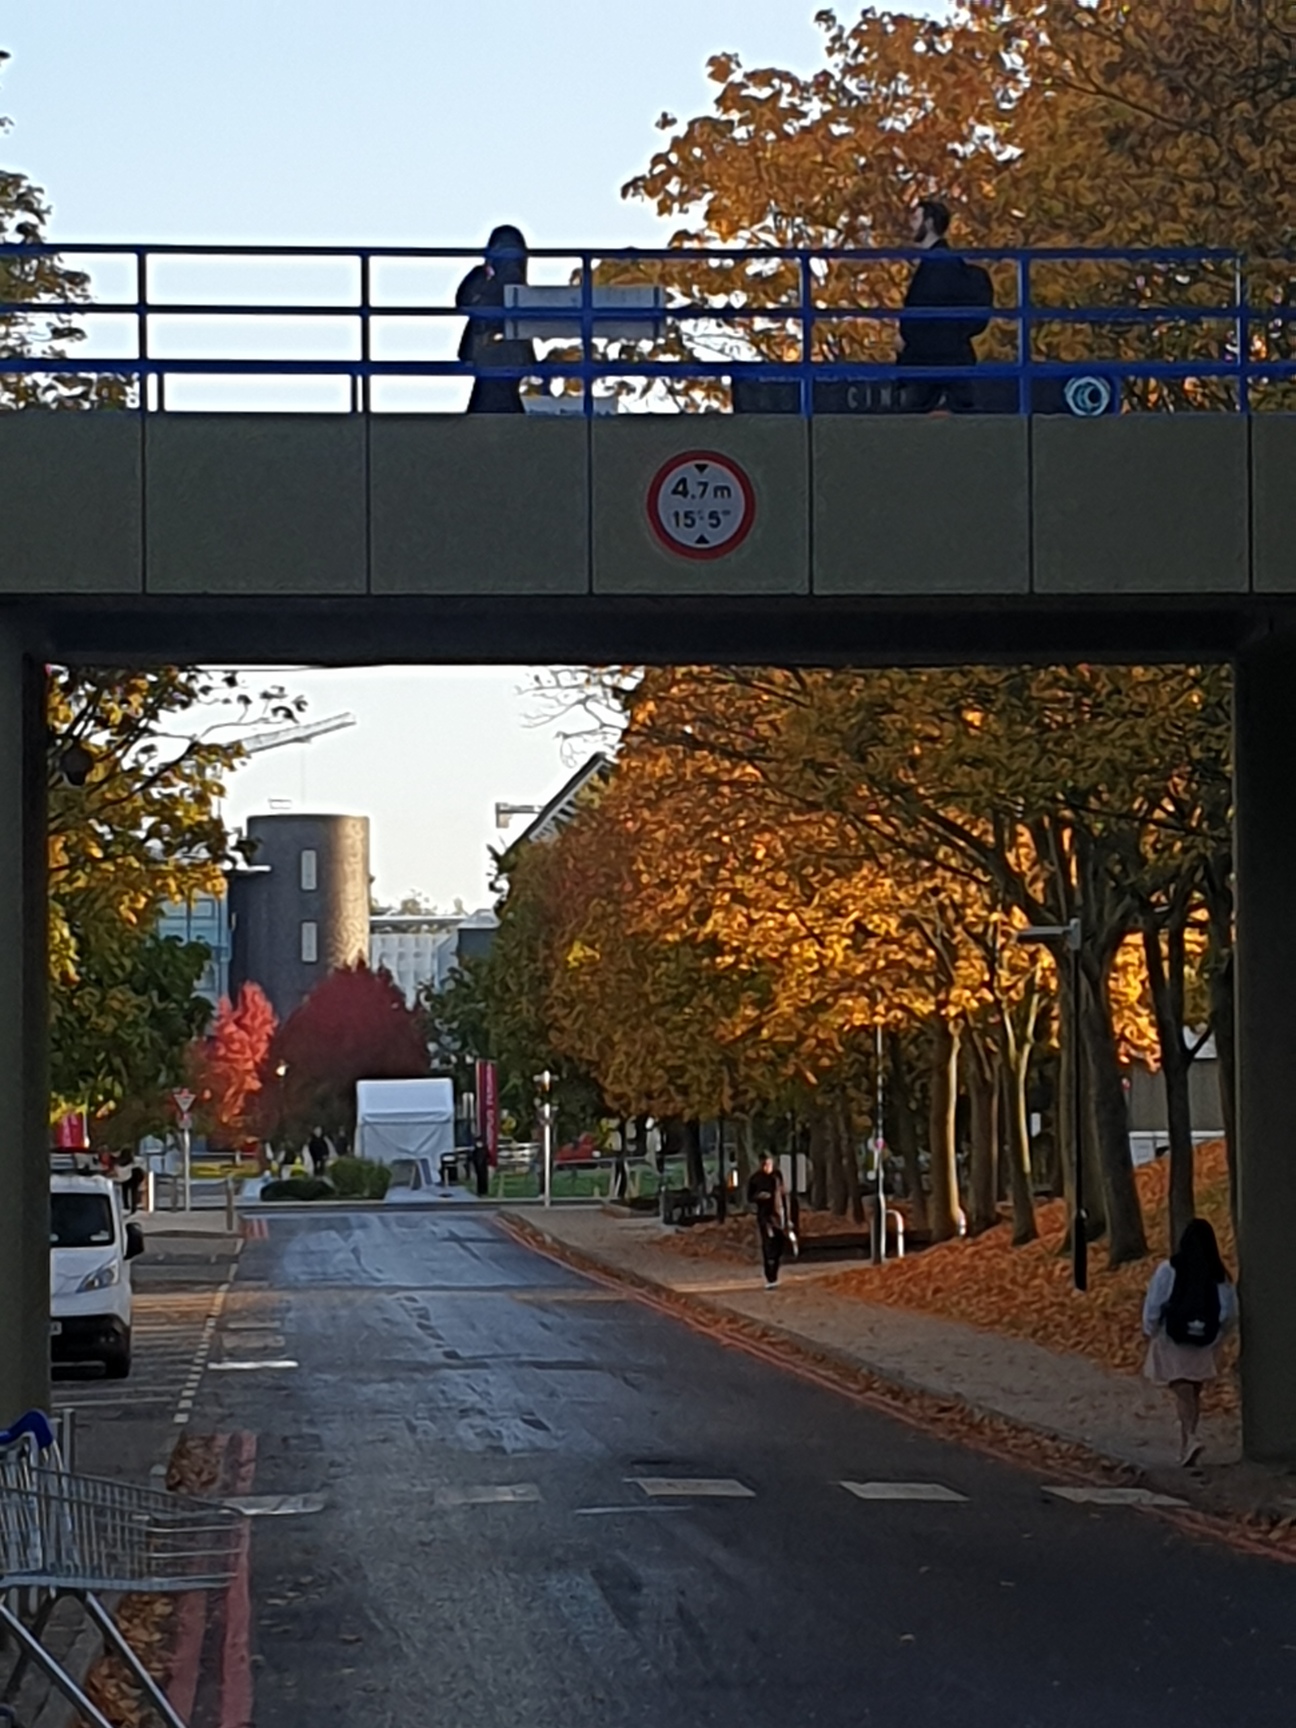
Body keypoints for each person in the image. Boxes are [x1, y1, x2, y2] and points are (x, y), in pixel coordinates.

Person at [1142, 1217, 1237, 1466]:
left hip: (1173, 1336)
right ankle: (1187, 1444)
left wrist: (1150, 1328)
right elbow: (1228, 1312)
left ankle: (1191, 1439)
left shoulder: (1169, 1269)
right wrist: (1218, 1337)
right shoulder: (1219, 1275)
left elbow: (1154, 1302)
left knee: (1182, 1390)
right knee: (1193, 1391)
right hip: (1203, 1340)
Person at [896, 199, 993, 413]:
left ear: (929, 223)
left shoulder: (935, 266)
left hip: (929, 357)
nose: (911, 224)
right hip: (954, 356)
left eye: (916, 218)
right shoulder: (948, 264)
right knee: (966, 415)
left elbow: (922, 308)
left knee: (909, 421)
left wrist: (906, 336)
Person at [455, 225, 535, 414]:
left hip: (508, 358)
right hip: (486, 355)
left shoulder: (520, 293)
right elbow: (463, 300)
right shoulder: (484, 280)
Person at [746, 1153, 790, 1290]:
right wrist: (759, 1197)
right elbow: (749, 1197)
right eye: (765, 1164)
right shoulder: (755, 1179)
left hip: (779, 1215)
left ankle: (775, 1270)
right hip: (765, 1216)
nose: (768, 1167)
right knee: (768, 1243)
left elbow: (783, 1194)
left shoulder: (777, 1176)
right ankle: (769, 1276)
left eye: (770, 1163)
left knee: (779, 1244)